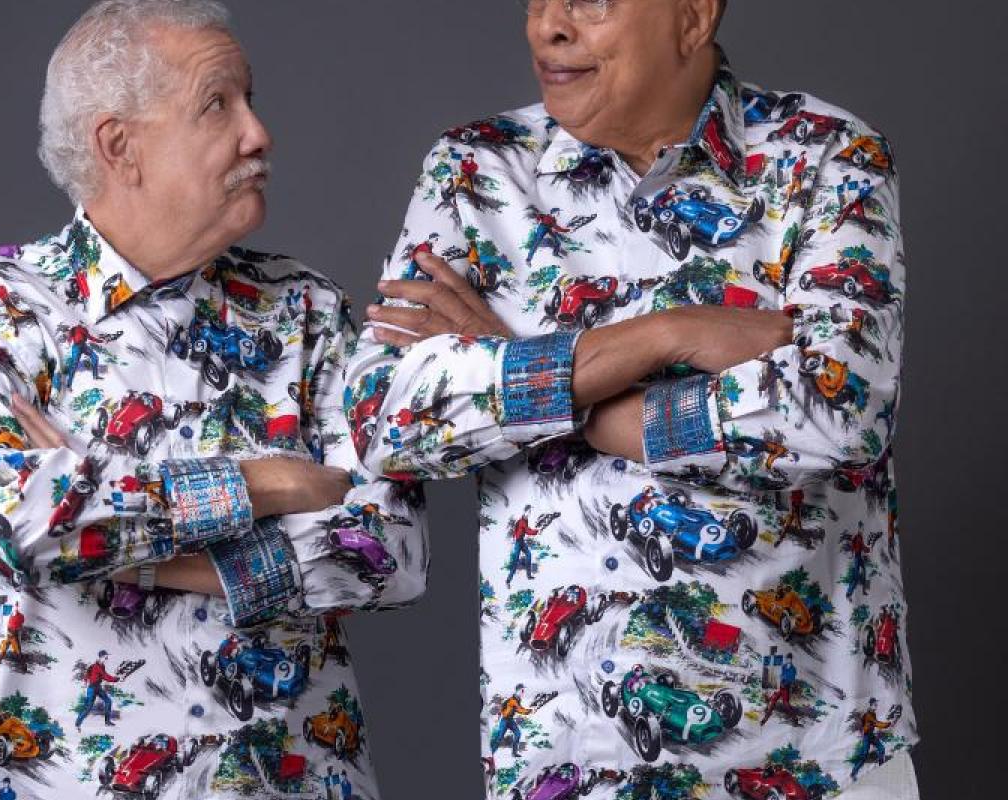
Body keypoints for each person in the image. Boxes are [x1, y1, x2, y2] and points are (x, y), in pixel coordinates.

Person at [348, 0, 917, 796]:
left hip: (814, 758)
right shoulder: (478, 170)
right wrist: (667, 334)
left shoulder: (824, 156)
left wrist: (521, 376)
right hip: (571, 761)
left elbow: (837, 412)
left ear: (692, 16)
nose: (545, 26)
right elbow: (387, 417)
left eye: (588, 1)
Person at [0, 2, 427, 798]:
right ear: (119, 146)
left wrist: (123, 546)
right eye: (217, 104)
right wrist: (269, 484)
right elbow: (22, 524)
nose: (258, 133)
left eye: (250, 99)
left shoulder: (306, 310)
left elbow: (388, 555)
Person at [75, 650, 119, 730]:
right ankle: (78, 723)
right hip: (92, 689)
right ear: (101, 657)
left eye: (107, 657)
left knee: (108, 701)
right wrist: (115, 679)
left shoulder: (102, 666)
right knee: (88, 708)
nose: (107, 659)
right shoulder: (96, 666)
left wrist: (114, 679)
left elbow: (94, 675)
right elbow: (105, 676)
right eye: (106, 657)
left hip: (98, 687)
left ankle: (107, 722)